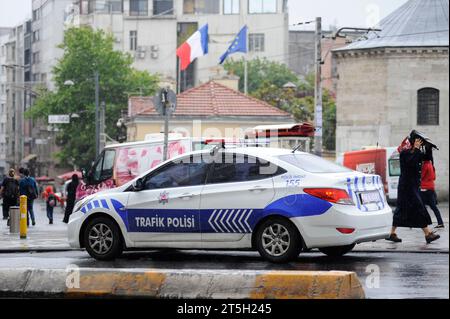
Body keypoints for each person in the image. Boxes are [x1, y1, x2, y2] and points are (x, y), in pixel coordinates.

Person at [387, 136, 440, 244]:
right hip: (406, 187)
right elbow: (411, 161)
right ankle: (427, 234)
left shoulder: (415, 153)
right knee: (418, 208)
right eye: (416, 142)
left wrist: (428, 148)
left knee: (401, 209)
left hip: (412, 186)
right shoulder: (404, 153)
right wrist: (416, 148)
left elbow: (426, 158)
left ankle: (392, 233)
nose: (418, 144)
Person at [420, 146, 444, 229]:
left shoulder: (425, 166)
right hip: (431, 188)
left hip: (424, 189)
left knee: (421, 206)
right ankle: (440, 222)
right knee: (434, 207)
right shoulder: (431, 165)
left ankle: (424, 222)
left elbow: (421, 176)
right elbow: (434, 177)